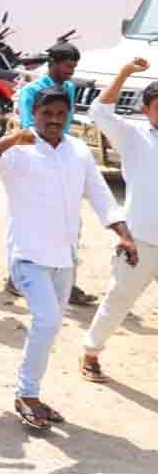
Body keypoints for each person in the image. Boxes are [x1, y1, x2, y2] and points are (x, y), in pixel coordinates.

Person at [0, 86, 136, 431]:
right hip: (27, 256)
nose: (54, 120)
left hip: (64, 258)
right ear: (35, 115)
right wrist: (11, 139)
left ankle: (32, 394)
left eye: (61, 114)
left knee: (50, 326)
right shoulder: (19, 149)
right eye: (47, 114)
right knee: (47, 321)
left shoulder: (77, 152)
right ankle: (26, 395)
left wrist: (124, 234)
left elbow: (100, 194)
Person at [81, 58, 158, 382]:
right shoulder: (133, 135)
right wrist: (125, 73)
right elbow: (99, 112)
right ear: (145, 109)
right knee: (119, 299)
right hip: (139, 238)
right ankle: (91, 353)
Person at [17, 41, 80, 129]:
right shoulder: (30, 90)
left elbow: (67, 120)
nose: (72, 71)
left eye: (74, 67)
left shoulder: (69, 87)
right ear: (53, 63)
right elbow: (28, 126)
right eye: (68, 66)